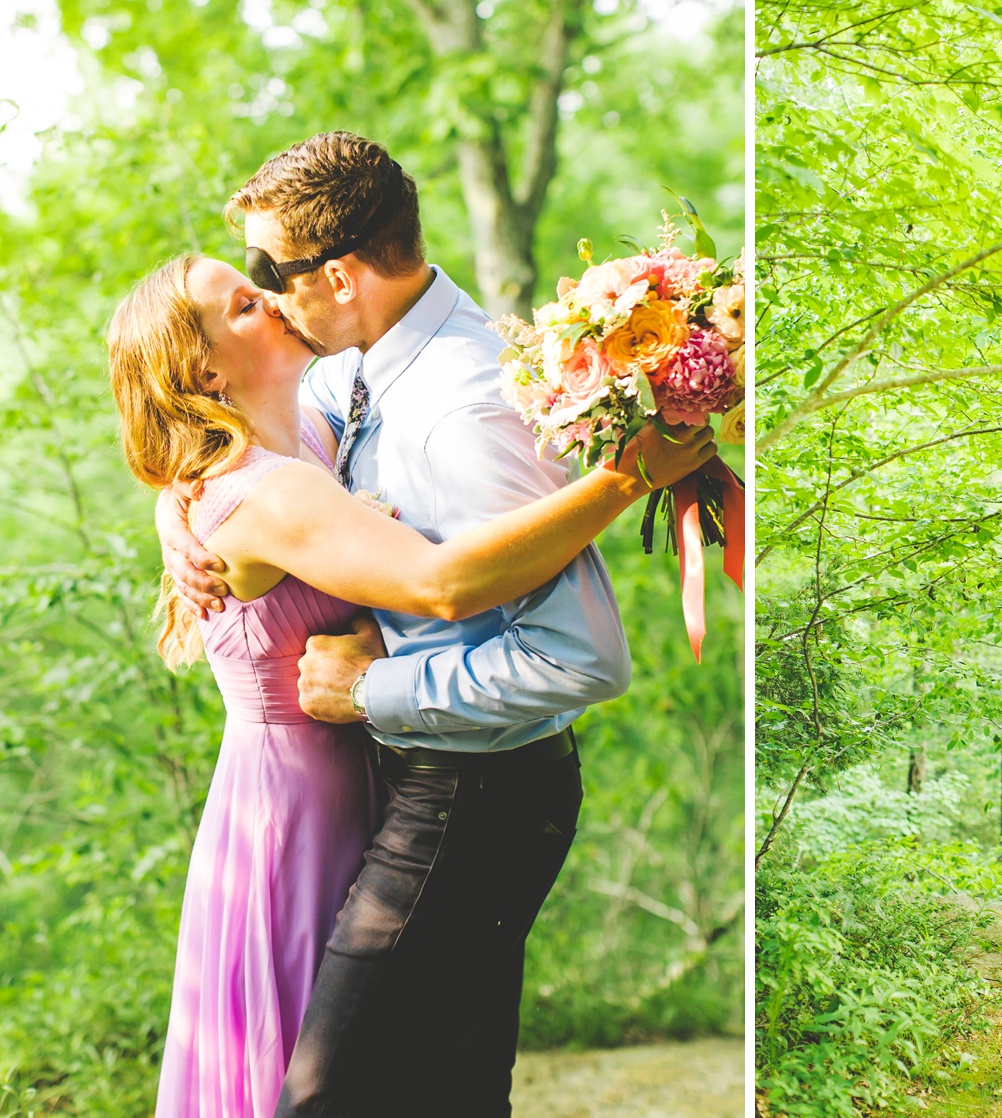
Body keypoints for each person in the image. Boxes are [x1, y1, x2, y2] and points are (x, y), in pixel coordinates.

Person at [155, 131, 705, 1117]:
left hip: (479, 791)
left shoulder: (457, 407)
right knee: (450, 1089)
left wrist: (369, 688)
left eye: (270, 274)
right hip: (419, 777)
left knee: (328, 1093)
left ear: (341, 275)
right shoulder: (353, 371)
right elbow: (223, 429)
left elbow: (578, 656)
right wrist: (179, 517)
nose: (266, 294)